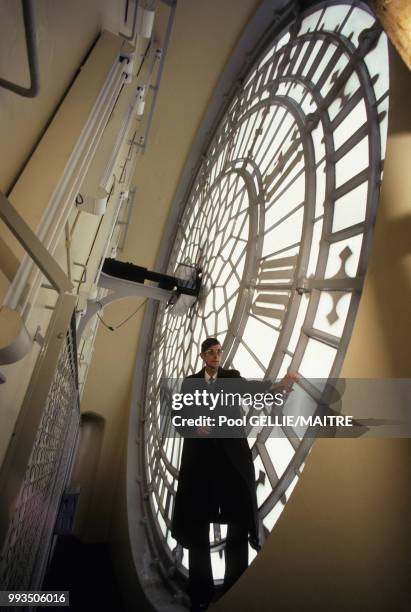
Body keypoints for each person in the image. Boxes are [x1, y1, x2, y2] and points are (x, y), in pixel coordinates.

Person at [171, 338, 298, 611]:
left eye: (219, 352)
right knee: (198, 531)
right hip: (201, 466)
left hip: (229, 465)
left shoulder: (232, 378)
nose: (217, 356)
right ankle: (200, 594)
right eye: (211, 353)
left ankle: (233, 591)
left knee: (238, 525)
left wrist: (281, 388)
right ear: (203, 356)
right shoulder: (190, 383)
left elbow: (253, 391)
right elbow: (179, 416)